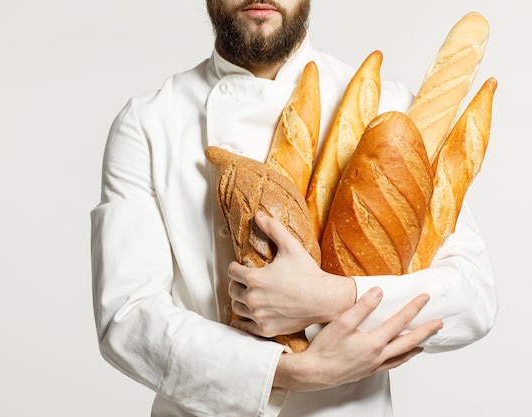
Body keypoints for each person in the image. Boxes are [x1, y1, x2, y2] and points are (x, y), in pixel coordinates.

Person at [90, 1, 498, 416]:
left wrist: (332, 297)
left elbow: (472, 297)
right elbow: (127, 320)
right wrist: (294, 372)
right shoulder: (148, 122)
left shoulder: (390, 111)